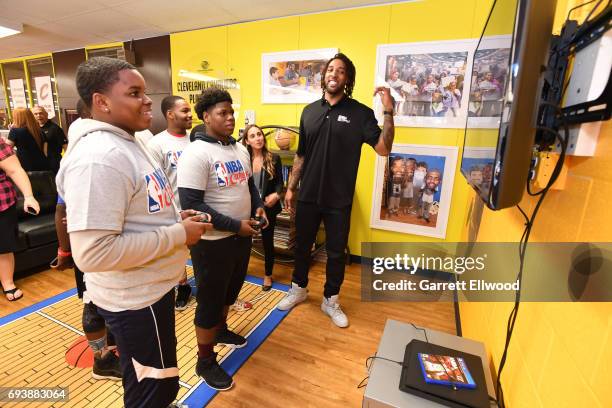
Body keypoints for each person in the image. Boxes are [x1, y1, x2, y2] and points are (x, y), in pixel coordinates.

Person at [56, 56, 208, 408]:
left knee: (157, 382)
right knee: (152, 390)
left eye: (144, 91)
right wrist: (177, 234)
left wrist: (175, 218)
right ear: (102, 102)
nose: (148, 100)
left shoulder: (131, 140)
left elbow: (138, 209)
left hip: (152, 290)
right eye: (135, 92)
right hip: (134, 300)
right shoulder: (99, 157)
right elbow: (93, 253)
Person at [279, 53, 395, 328]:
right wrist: (291, 188)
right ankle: (299, 289)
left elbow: (384, 148)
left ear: (348, 79)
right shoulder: (309, 111)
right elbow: (301, 155)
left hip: (339, 198)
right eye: (330, 69)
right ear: (324, 76)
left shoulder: (361, 114)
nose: (334, 74)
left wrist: (389, 111)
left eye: (341, 71)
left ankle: (330, 299)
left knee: (334, 253)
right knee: (301, 247)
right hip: (308, 195)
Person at [177, 87, 267, 390]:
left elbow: (249, 187)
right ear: (206, 117)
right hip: (212, 243)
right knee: (209, 301)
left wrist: (257, 208)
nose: (230, 118)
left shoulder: (238, 149)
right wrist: (234, 226)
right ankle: (205, 361)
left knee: (230, 291)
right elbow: (192, 205)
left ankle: (222, 328)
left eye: (231, 112)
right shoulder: (196, 153)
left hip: (240, 237)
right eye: (222, 113)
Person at [51, 99, 122, 381]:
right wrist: (65, 251)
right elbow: (61, 208)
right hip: (91, 247)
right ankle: (101, 360)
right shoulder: (81, 151)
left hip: (113, 245)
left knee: (111, 301)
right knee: (92, 305)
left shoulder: (113, 143)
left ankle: (113, 349)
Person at [147, 95, 194, 310]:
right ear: (170, 114)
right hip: (174, 210)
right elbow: (156, 183)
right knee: (176, 255)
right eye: (184, 110)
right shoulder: (156, 144)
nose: (190, 114)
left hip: (198, 207)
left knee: (202, 252)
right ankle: (182, 286)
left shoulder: (197, 139)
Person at [242, 124, 283, 291]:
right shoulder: (243, 159)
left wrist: (277, 194)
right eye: (252, 136)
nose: (258, 138)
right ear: (247, 141)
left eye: (259, 134)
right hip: (246, 207)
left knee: (267, 242)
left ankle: (267, 274)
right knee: (244, 241)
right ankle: (240, 270)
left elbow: (280, 183)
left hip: (268, 207)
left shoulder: (274, 158)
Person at [0, 138, 40, 301]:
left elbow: (15, 170)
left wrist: (29, 196)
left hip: (2, 203)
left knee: (3, 246)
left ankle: (8, 283)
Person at [32, 105, 67, 174]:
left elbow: (65, 146)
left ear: (46, 114)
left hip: (54, 162)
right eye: (35, 114)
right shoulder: (33, 129)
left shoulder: (55, 128)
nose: (38, 116)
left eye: (41, 113)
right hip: (39, 163)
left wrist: (66, 162)